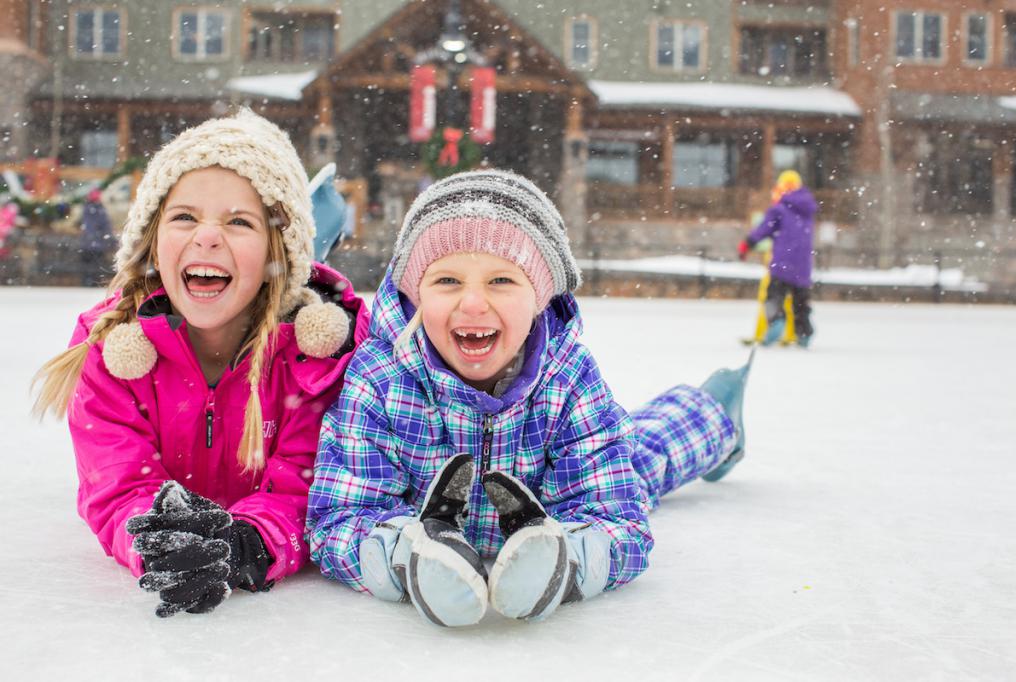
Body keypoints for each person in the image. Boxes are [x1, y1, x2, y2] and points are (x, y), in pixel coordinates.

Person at [306, 170, 752, 627]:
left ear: (539, 296)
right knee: (636, 451)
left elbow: (617, 518)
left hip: (554, 495)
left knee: (643, 462)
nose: (474, 304)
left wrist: (569, 559)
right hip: (428, 521)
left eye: (501, 280)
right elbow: (341, 515)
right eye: (447, 281)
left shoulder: (568, 375)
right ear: (414, 294)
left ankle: (717, 411)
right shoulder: (381, 377)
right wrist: (405, 555)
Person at [32, 110, 370, 618]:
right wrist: (158, 538)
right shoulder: (113, 351)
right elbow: (118, 484)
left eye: (239, 222)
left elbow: (307, 484)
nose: (207, 237)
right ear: (153, 239)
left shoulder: (317, 357)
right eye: (184, 217)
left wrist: (248, 543)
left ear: (277, 250)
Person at [738, 170, 817, 347]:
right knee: (800, 303)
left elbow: (763, 230)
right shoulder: (807, 209)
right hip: (804, 266)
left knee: (773, 295)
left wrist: (746, 245)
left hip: (782, 261)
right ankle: (803, 333)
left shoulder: (779, 209)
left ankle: (775, 321)